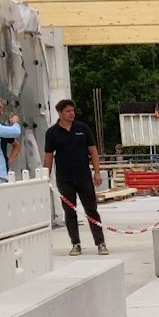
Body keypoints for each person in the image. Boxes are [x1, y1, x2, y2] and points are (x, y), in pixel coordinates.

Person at [44, 99, 107, 256]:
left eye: (72, 110)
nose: (71, 113)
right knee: (69, 211)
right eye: (67, 111)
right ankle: (76, 243)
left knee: (91, 210)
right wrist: (45, 176)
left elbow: (93, 151)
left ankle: (100, 242)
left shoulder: (82, 129)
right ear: (59, 113)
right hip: (65, 179)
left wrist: (97, 172)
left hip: (84, 177)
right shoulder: (52, 133)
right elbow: (49, 156)